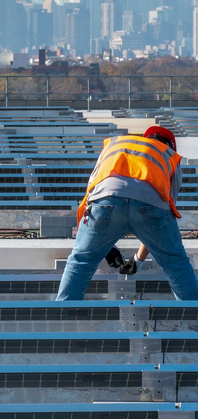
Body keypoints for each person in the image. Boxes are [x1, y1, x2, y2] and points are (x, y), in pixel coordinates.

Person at [57, 126, 198, 300]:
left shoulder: (115, 145)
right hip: (150, 205)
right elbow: (162, 216)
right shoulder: (169, 156)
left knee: (80, 262)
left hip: (105, 201)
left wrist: (106, 246)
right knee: (176, 264)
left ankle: (64, 310)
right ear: (170, 146)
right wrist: (138, 260)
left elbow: (91, 193)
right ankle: (192, 313)